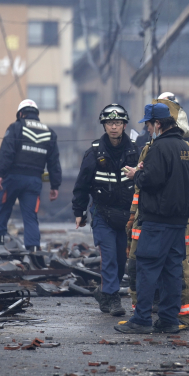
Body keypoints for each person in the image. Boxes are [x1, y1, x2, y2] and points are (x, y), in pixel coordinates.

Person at [114, 103, 189, 334]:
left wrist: (137, 174)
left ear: (158, 124)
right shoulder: (187, 149)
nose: (148, 129)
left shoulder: (159, 148)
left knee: (146, 268)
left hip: (157, 222)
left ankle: (141, 319)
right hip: (179, 223)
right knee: (172, 271)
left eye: (149, 124)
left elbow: (151, 180)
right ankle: (169, 320)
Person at [71, 104, 139, 317]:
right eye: (110, 123)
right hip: (102, 212)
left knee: (120, 261)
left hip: (126, 215)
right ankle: (113, 298)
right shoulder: (93, 153)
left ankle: (103, 293)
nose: (113, 127)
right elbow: (82, 184)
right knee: (109, 257)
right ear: (104, 125)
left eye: (117, 123)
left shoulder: (135, 151)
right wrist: (79, 211)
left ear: (124, 125)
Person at [0, 99, 62, 251]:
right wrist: (55, 185)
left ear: (21, 114)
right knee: (30, 216)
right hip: (34, 181)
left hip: (12, 178)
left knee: (4, 209)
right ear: (36, 114)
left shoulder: (16, 127)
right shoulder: (49, 132)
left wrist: (0, 174)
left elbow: (6, 152)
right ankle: (33, 249)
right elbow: (54, 162)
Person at [156, 92, 189, 281]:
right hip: (157, 206)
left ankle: (183, 288)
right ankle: (162, 293)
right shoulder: (147, 140)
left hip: (186, 204)